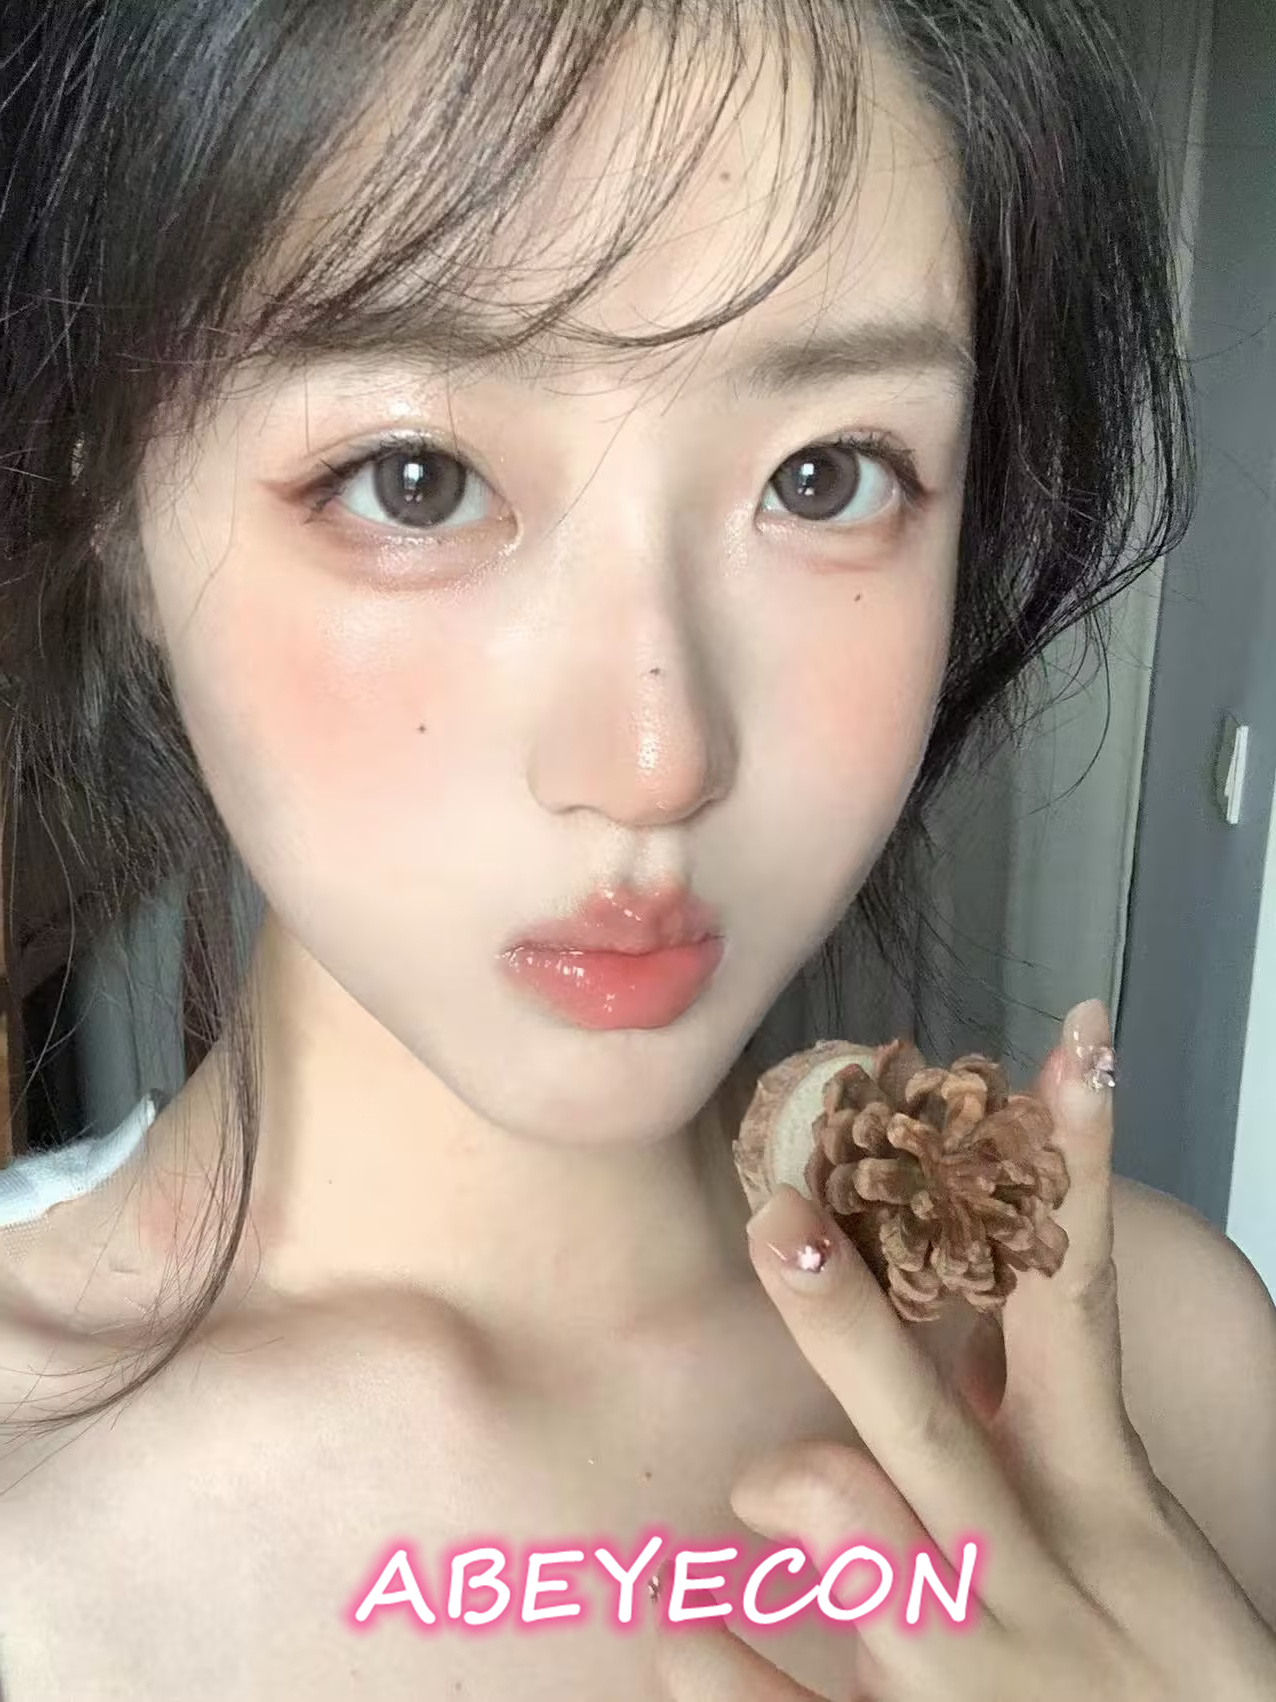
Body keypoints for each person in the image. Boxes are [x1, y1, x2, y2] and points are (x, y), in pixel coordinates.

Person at [0, 2, 1272, 1698]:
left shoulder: (1173, 1375)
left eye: (826, 477)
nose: (659, 759)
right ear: (114, 505)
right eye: (415, 479)